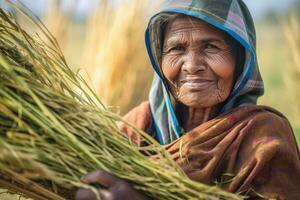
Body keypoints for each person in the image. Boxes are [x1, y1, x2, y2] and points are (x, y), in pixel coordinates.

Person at [76, 0, 300, 199]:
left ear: (241, 60)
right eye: (176, 48)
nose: (192, 65)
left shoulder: (264, 138)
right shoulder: (139, 127)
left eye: (211, 46)